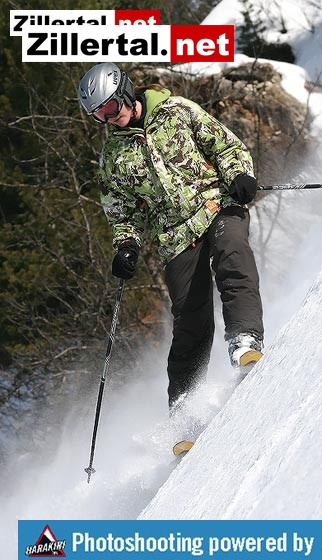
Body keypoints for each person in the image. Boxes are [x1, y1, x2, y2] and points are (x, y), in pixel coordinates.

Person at [78, 62, 264, 410]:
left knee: (232, 253)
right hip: (174, 234)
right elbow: (123, 213)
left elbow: (225, 147)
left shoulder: (176, 111)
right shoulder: (113, 158)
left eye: (111, 107)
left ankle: (244, 339)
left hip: (216, 204)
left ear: (125, 93)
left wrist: (239, 175)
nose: (110, 118)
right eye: (99, 115)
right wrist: (126, 245)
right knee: (190, 317)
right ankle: (184, 407)